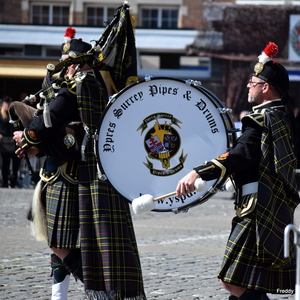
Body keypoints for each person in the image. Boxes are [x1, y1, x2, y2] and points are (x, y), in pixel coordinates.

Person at [13, 27, 146, 300]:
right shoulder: (83, 84)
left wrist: (26, 138)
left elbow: (45, 122)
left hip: (69, 176)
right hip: (58, 173)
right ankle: (59, 296)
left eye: (70, 64)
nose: (66, 70)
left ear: (78, 63)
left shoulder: (80, 84)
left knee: (60, 242)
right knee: (56, 244)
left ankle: (101, 289)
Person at [176, 42, 299, 300]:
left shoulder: (261, 119)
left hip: (257, 210)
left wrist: (198, 172)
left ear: (265, 87)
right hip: (273, 207)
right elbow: (259, 160)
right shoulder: (282, 117)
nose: (247, 86)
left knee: (233, 281)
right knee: (244, 284)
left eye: (252, 82)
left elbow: (240, 154)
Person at [0, 96, 20, 188]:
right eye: (6, 103)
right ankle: (4, 181)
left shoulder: (13, 114)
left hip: (13, 140)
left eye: (8, 103)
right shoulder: (1, 115)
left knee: (16, 162)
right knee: (5, 163)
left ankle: (13, 181)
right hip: (4, 141)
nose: (7, 105)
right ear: (3, 104)